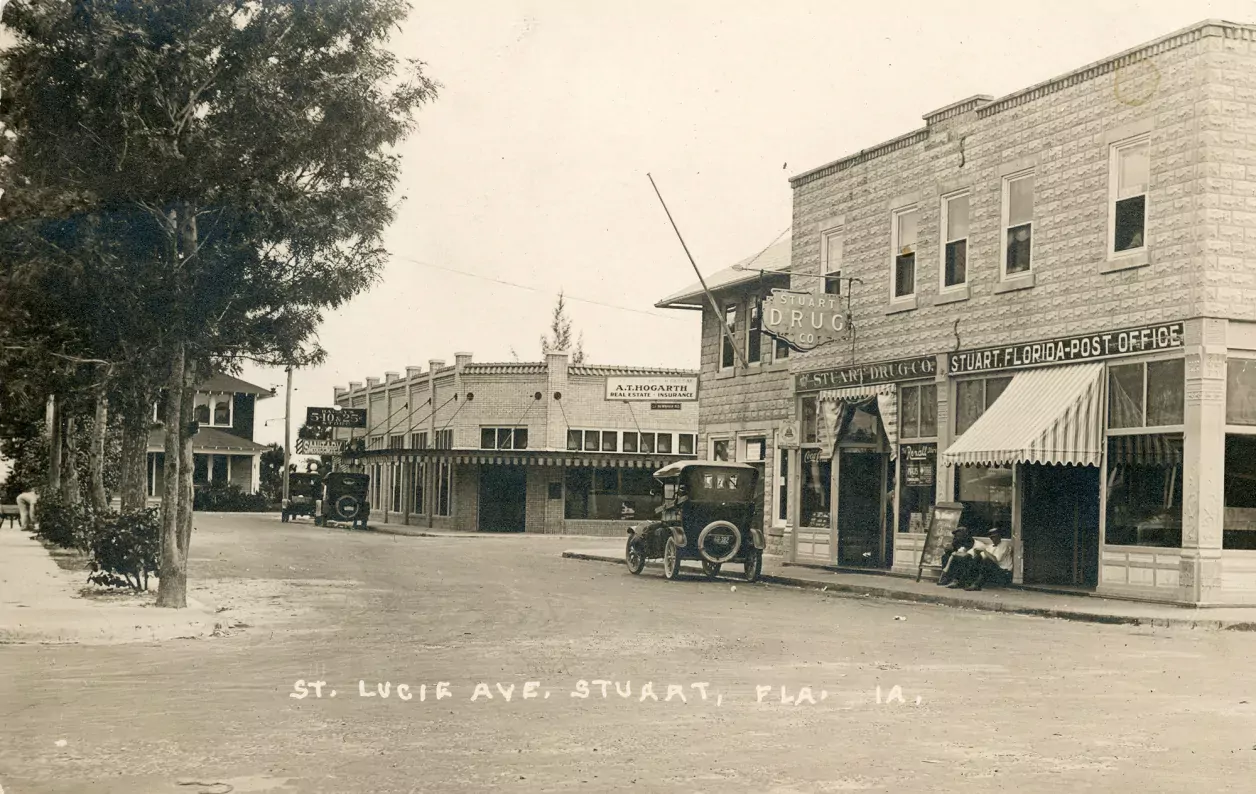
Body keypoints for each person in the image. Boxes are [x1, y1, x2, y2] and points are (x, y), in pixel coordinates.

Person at [961, 526, 1013, 591]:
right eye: (991, 537)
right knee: (977, 557)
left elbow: (996, 560)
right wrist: (978, 553)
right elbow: (982, 557)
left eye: (995, 536)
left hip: (1004, 573)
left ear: (999, 536)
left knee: (987, 561)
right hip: (994, 572)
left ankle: (977, 585)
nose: (993, 539)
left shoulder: (1004, 545)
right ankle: (966, 582)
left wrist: (984, 551)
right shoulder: (990, 546)